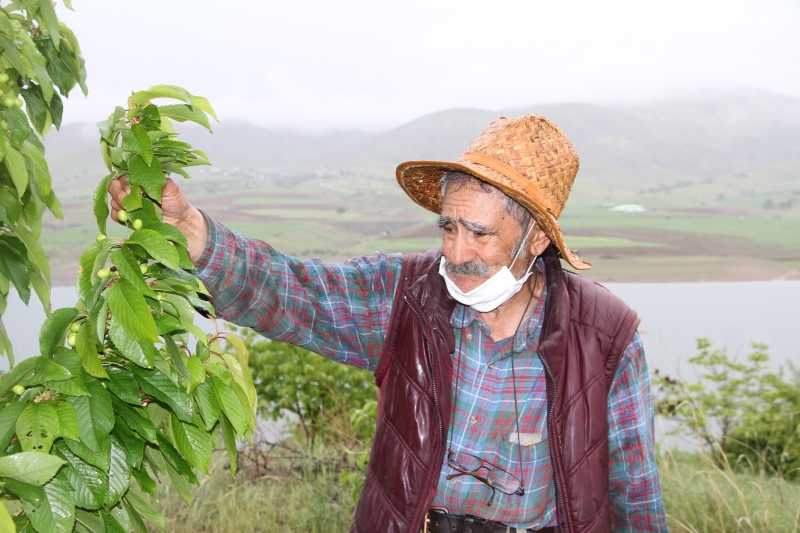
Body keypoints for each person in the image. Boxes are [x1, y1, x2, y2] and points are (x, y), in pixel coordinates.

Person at [109, 114, 668, 533]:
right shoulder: (408, 297)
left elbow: (633, 492)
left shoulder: (605, 337)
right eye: (448, 228)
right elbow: (293, 291)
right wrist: (193, 233)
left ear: (536, 239)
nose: (457, 251)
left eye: (480, 233)